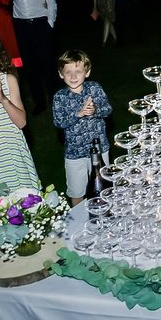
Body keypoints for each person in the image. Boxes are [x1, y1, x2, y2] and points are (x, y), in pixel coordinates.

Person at [52, 49, 112, 207]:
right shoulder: (60, 97)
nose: (73, 76)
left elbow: (108, 109)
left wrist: (96, 110)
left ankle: (108, 217)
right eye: (68, 72)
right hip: (75, 153)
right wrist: (78, 114)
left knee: (105, 187)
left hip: (100, 148)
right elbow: (59, 122)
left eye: (77, 71)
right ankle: (78, 223)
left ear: (87, 72)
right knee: (77, 192)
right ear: (61, 74)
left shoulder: (94, 88)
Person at [3, 0, 57, 116]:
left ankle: (56, 100)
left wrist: (49, 24)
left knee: (47, 64)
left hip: (41, 23)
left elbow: (51, 1)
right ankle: (39, 102)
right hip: (21, 26)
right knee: (30, 67)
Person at [0, 29, 39, 191]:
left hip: (13, 154)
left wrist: (3, 99)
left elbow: (22, 122)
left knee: (26, 205)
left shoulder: (8, 80)